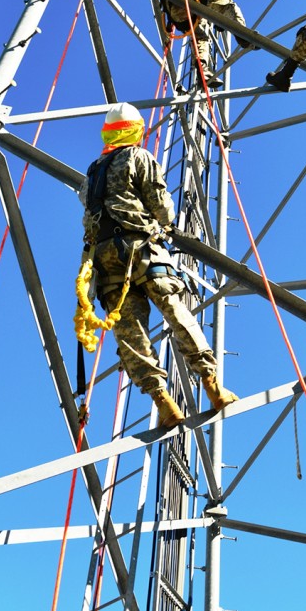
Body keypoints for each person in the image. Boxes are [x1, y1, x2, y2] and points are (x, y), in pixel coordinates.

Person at [77, 102, 238, 428]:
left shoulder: (92, 173)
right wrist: (166, 224)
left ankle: (163, 403)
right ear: (135, 129)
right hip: (142, 251)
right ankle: (212, 385)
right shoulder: (138, 157)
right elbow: (161, 206)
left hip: (105, 262)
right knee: (175, 311)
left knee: (130, 333)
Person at [161, 0, 255, 88]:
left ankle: (202, 71)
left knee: (201, 36)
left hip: (176, 10)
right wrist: (222, 20)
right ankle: (243, 34)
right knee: (230, 6)